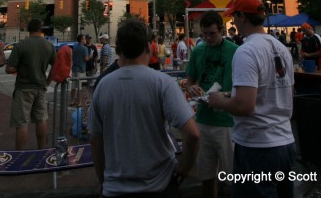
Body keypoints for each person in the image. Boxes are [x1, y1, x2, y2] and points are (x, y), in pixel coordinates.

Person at [89, 18, 199, 197]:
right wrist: (184, 168)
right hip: (160, 185)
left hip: (115, 188)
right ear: (148, 46)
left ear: (120, 48)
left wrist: (103, 180)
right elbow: (193, 135)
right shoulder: (162, 82)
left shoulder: (103, 85)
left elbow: (95, 139)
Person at [208, 0, 297, 198]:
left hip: (257, 145)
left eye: (234, 17)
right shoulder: (282, 49)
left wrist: (219, 100)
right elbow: (285, 92)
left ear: (242, 17)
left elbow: (245, 106)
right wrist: (234, 94)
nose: (233, 22)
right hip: (285, 142)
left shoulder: (246, 51)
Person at [185, 11, 238, 198]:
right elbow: (190, 81)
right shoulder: (198, 50)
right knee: (206, 175)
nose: (207, 38)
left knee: (231, 178)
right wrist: (192, 89)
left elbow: (243, 88)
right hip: (203, 120)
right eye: (204, 34)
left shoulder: (234, 51)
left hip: (227, 122)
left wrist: (222, 95)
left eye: (212, 34)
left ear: (222, 30)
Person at [6, 18, 57, 149]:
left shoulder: (21, 45)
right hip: (41, 87)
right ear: (41, 29)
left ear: (28, 29)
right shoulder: (49, 45)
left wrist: (21, 67)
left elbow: (9, 69)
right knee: (41, 119)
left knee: (22, 122)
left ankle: (20, 154)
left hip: (23, 87)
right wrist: (47, 82)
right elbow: (55, 67)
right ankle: (41, 150)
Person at [70, 34, 90, 106]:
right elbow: (86, 59)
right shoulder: (84, 48)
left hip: (74, 68)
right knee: (80, 87)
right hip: (81, 69)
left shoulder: (75, 48)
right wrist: (90, 56)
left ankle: (72, 101)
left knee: (73, 86)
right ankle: (79, 102)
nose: (85, 40)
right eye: (84, 38)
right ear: (81, 40)